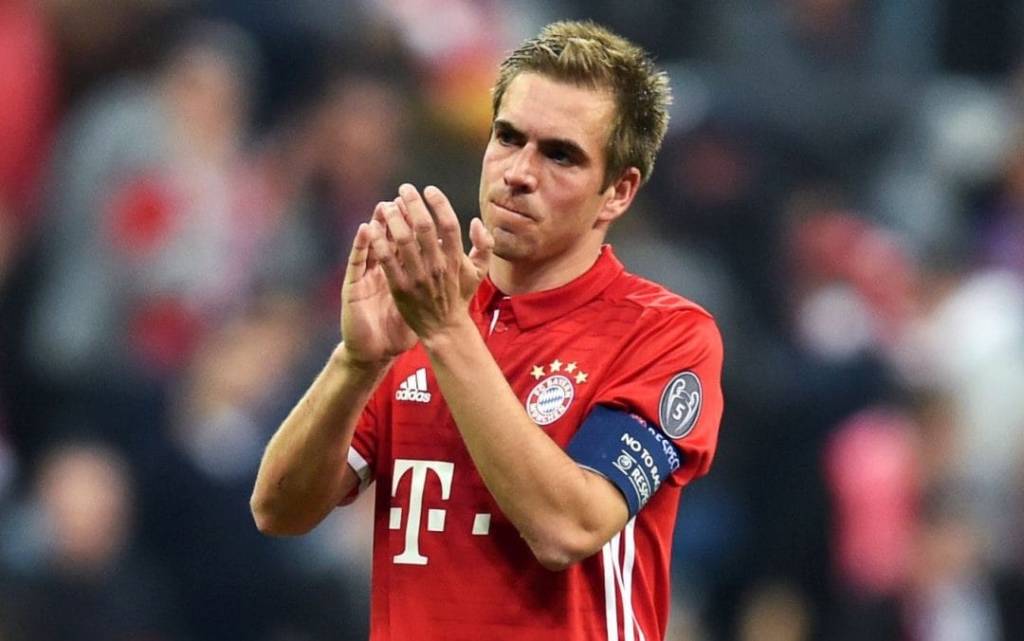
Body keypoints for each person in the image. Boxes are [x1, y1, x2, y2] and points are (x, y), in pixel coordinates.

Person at [251, 20, 724, 641]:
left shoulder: (665, 334)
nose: (519, 172)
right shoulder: (422, 314)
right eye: (508, 137)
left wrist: (449, 333)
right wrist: (357, 362)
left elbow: (567, 529)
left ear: (618, 192)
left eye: (560, 155)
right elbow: (279, 510)